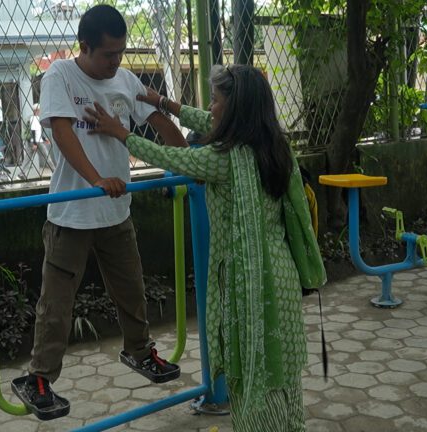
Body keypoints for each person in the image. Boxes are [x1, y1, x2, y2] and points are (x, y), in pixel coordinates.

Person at [84, 64, 326, 431]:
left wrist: (120, 132)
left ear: (235, 109)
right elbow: (208, 122)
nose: (211, 108)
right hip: (281, 271)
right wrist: (164, 102)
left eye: (216, 100)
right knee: (280, 365)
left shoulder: (224, 160)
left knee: (253, 363)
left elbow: (171, 157)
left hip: (249, 280)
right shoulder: (273, 143)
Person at [11, 4, 188, 420]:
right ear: (84, 47)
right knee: (56, 303)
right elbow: (61, 131)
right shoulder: (60, 76)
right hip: (71, 215)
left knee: (132, 289)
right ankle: (38, 378)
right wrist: (94, 179)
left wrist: (183, 157)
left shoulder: (124, 80)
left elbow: (158, 120)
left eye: (120, 53)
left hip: (116, 211)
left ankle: (140, 352)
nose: (116, 62)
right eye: (108, 54)